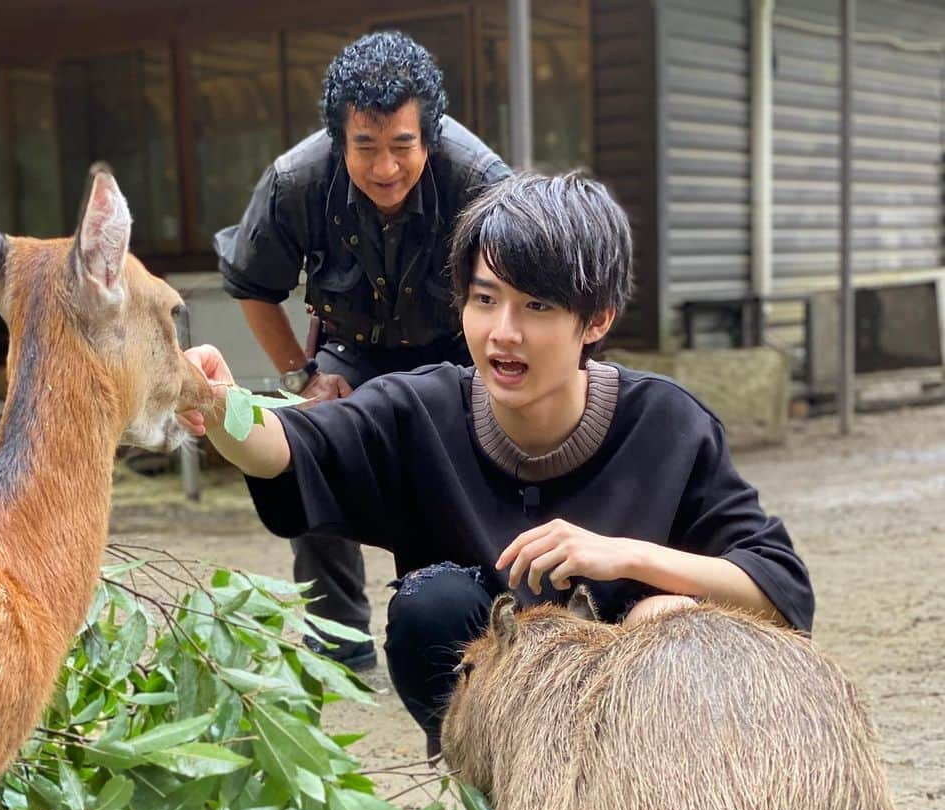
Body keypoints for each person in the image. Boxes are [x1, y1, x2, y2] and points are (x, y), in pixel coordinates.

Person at [184, 172, 814, 757]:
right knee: (433, 603)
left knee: (668, 618)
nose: (502, 332)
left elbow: (778, 593)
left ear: (595, 319)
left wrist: (625, 558)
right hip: (491, 722)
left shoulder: (669, 424)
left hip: (635, 745)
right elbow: (289, 446)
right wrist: (221, 406)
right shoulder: (422, 407)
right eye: (486, 299)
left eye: (537, 307)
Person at [215, 30, 510, 672]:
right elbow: (252, 286)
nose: (385, 169)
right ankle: (337, 646)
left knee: (461, 479)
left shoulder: (481, 181)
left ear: (429, 137)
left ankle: (463, 643)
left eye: (402, 146)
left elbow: (519, 291)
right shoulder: (296, 181)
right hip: (347, 351)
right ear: (337, 138)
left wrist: (500, 381)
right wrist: (302, 375)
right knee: (304, 455)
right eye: (365, 147)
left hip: (457, 353)